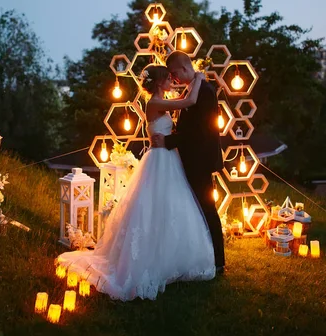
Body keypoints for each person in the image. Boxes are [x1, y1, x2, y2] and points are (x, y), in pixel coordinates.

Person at [56, 64, 215, 301]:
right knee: (156, 204)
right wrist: (199, 78)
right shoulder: (154, 103)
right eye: (168, 78)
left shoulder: (161, 100)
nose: (172, 80)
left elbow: (182, 99)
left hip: (168, 157)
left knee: (171, 204)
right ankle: (152, 258)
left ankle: (171, 257)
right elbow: (189, 101)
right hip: (160, 159)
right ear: (160, 82)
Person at [150, 50, 225, 273]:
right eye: (169, 76)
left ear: (184, 68)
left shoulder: (205, 91)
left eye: (174, 73)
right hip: (190, 158)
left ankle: (218, 262)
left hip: (200, 159)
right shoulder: (194, 88)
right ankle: (200, 254)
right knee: (195, 208)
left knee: (207, 208)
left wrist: (169, 140)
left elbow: (201, 130)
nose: (173, 79)